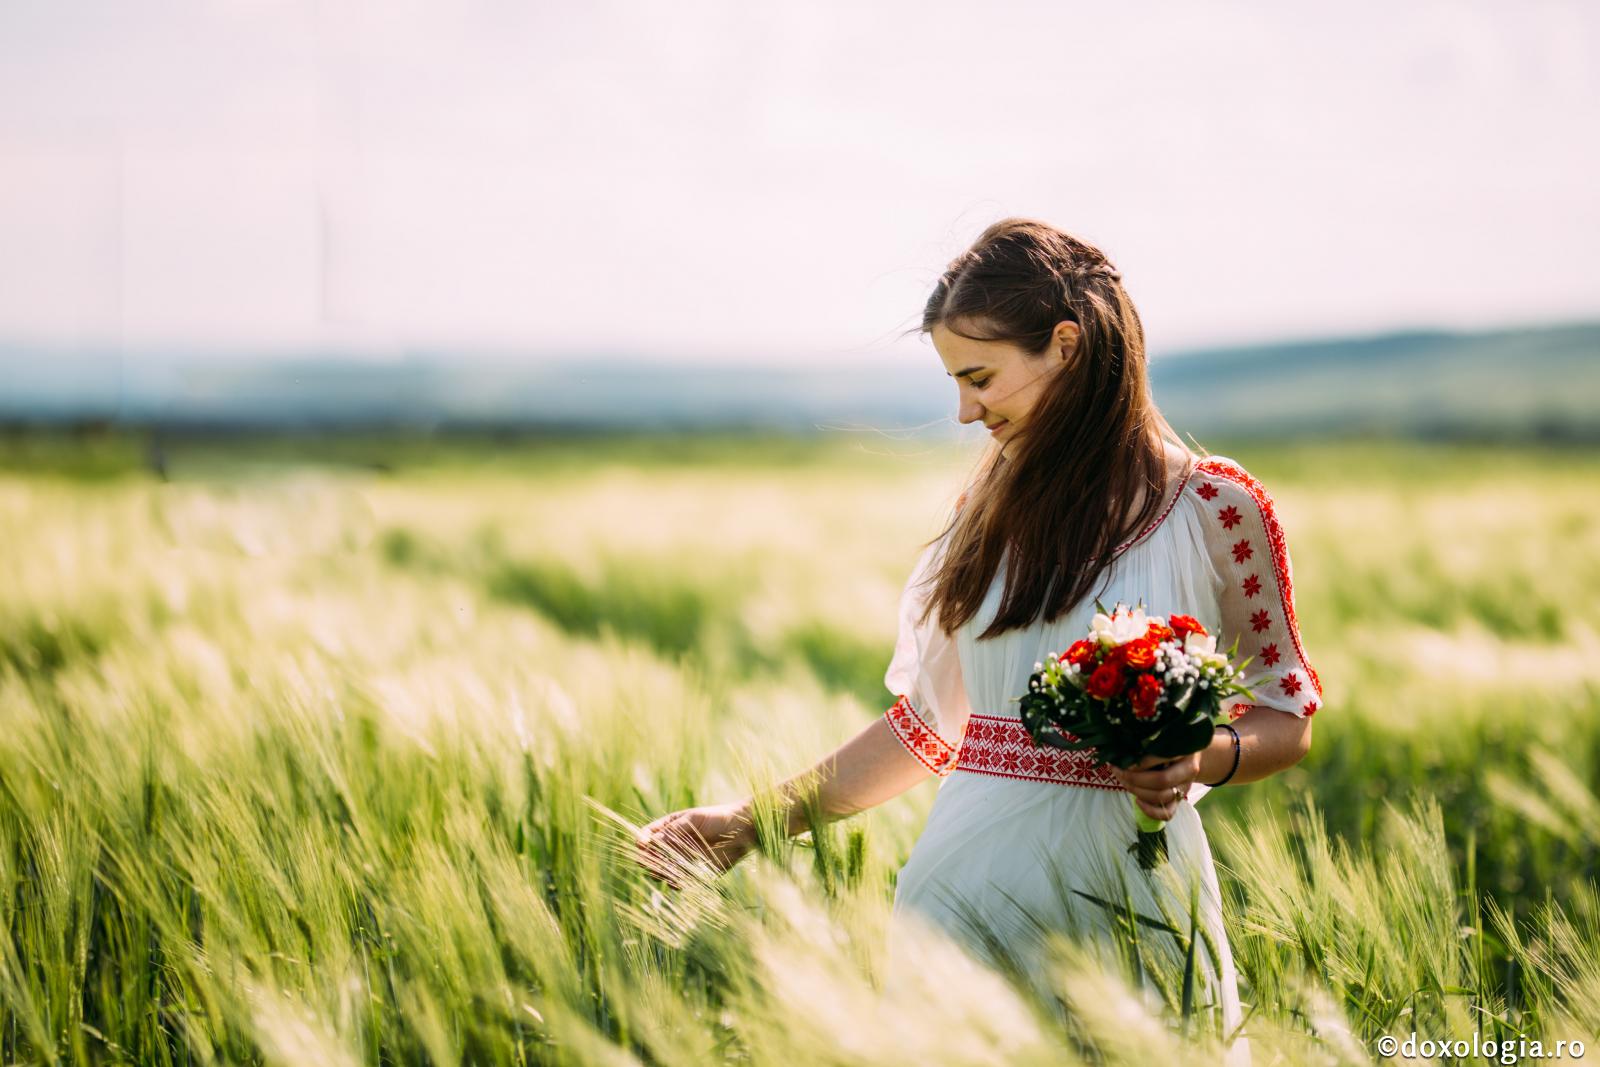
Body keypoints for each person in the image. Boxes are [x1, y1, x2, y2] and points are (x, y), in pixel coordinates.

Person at [634, 218, 1321, 1061]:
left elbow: (1287, 713)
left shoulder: (1217, 507)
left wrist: (1197, 754)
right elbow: (927, 729)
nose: (965, 411)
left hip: (1140, 904)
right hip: (961, 904)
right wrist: (747, 822)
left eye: (980, 376)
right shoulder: (982, 516)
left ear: (1066, 346)